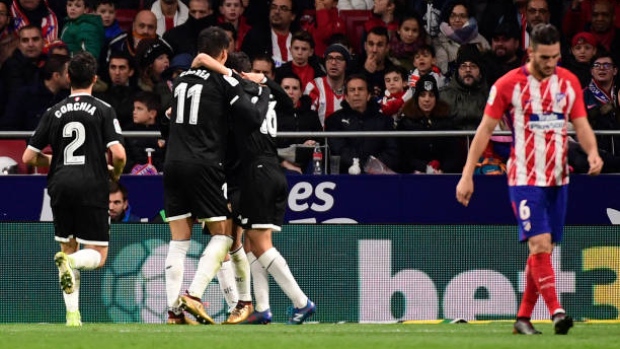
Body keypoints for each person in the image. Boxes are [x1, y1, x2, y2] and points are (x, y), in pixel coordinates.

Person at [455, 24, 603, 335]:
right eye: (545, 57)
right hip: (523, 177)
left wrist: (592, 153)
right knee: (539, 243)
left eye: (556, 57)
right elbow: (483, 130)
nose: (551, 64)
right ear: (531, 52)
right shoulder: (508, 84)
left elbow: (581, 123)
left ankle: (522, 318)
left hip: (558, 179)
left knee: (542, 251)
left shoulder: (568, 81)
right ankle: (557, 313)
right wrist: (468, 175)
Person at [192, 50, 317, 326]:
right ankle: (261, 308)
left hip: (257, 173)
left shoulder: (237, 96)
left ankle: (302, 302)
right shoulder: (264, 93)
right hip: (271, 168)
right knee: (250, 243)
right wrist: (267, 80)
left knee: (260, 245)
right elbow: (287, 103)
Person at [163, 26, 266, 325]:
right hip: (204, 164)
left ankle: (173, 312)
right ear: (224, 53)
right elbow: (250, 115)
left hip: (172, 163)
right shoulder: (223, 81)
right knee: (223, 235)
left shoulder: (181, 80)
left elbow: (167, 117)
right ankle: (193, 296)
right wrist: (244, 81)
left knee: (179, 241)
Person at [21, 51, 126, 326]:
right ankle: (73, 265)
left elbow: (28, 158)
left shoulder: (52, 112)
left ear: (68, 77)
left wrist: (53, 160)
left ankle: (72, 316)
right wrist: (114, 173)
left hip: (60, 184)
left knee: (68, 248)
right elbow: (119, 153)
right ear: (94, 78)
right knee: (98, 255)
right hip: (92, 184)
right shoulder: (103, 109)